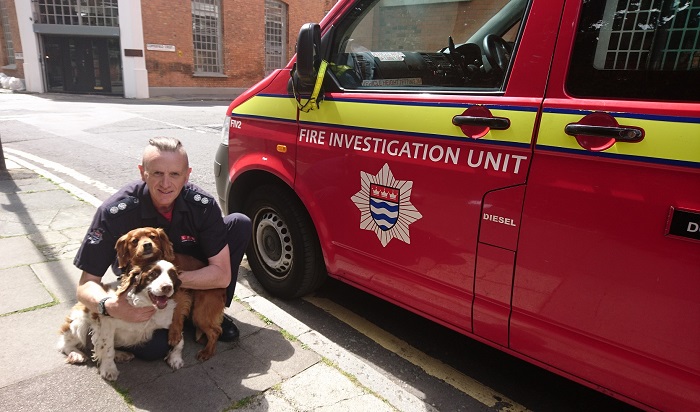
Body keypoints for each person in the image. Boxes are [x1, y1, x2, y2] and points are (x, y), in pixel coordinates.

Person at [74, 137, 251, 360]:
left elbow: (222, 275)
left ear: (187, 175)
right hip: (142, 283)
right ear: (142, 172)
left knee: (239, 224)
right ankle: (179, 314)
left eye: (175, 174)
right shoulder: (115, 212)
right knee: (155, 349)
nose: (165, 184)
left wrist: (169, 282)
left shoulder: (202, 206)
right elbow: (86, 283)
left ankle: (211, 313)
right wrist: (107, 305)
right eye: (157, 173)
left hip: (185, 270)